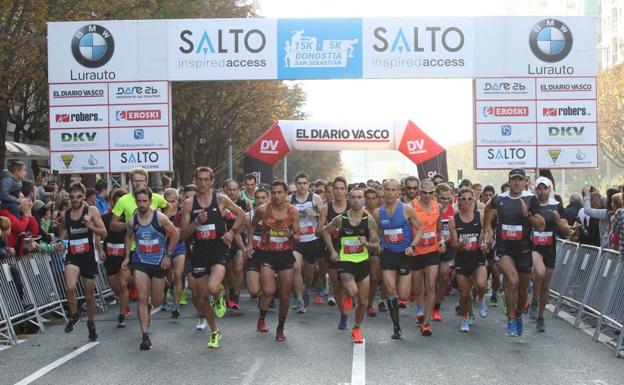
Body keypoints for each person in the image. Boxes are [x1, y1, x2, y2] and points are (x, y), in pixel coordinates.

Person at [180, 166, 244, 348]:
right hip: (199, 252)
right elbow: (183, 234)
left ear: (212, 181)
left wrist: (232, 232)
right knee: (201, 297)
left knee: (212, 286)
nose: (202, 183)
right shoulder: (189, 204)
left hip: (218, 250)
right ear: (195, 179)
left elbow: (242, 214)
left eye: (206, 179)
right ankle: (215, 331)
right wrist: (196, 221)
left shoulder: (220, 199)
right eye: (199, 179)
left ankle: (220, 295)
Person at [484, 169, 545, 337]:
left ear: (525, 181)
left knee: (523, 291)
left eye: (520, 179)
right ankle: (510, 320)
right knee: (512, 281)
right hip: (504, 250)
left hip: (524, 250)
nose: (517, 183)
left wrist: (528, 216)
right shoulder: (500, 198)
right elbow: (488, 208)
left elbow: (541, 225)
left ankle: (518, 314)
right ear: (509, 181)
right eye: (513, 179)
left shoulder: (531, 199)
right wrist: (487, 228)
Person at [122, 187, 179, 350]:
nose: (142, 204)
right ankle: (145, 336)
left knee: (155, 300)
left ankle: (152, 302)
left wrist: (168, 256)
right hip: (140, 261)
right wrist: (127, 256)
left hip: (158, 262)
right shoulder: (133, 220)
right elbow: (128, 237)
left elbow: (175, 234)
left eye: (144, 201)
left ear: (151, 201)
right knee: (141, 296)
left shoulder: (160, 218)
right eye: (139, 201)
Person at [322, 187, 380, 343]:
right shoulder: (342, 219)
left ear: (363, 199)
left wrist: (367, 243)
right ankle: (347, 294)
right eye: (353, 197)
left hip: (363, 263)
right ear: (349, 198)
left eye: (359, 197)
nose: (356, 200)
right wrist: (333, 251)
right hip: (346, 262)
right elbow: (325, 231)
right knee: (353, 291)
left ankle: (356, 327)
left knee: (363, 302)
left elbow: (377, 246)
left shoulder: (369, 220)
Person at [372, 179, 423, 339]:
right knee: (390, 289)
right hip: (388, 255)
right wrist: (378, 243)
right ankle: (396, 327)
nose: (390, 193)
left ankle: (401, 304)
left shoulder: (407, 209)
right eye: (387, 189)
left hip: (404, 255)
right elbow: (376, 232)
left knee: (404, 294)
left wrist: (412, 246)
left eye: (393, 190)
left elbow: (420, 228)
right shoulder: (378, 212)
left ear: (398, 192)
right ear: (383, 191)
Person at [250, 180, 300, 341]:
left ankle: (280, 327)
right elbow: (251, 225)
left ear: (286, 193)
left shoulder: (293, 212)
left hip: (285, 255)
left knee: (285, 296)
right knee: (269, 291)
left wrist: (291, 235)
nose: (277, 195)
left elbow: (298, 237)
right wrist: (249, 244)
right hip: (268, 254)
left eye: (280, 192)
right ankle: (262, 318)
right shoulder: (263, 209)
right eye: (274, 192)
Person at [58, 183, 107, 341]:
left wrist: (90, 225)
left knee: (89, 294)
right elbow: (62, 233)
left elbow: (104, 233)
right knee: (70, 287)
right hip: (73, 256)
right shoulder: (65, 214)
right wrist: (60, 242)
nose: (75, 200)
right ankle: (74, 315)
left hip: (88, 257)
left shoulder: (91, 211)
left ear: (84, 196)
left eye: (78, 196)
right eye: (72, 197)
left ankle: (91, 323)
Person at [528, 177, 571, 332]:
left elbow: (567, 231)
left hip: (550, 248)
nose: (542, 191)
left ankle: (540, 316)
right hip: (534, 246)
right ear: (536, 190)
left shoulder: (557, 206)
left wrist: (559, 222)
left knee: (545, 286)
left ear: (550, 189)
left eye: (545, 188)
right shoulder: (532, 204)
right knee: (539, 272)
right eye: (539, 188)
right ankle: (534, 300)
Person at [448, 188, 488, 332]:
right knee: (464, 294)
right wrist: (461, 244)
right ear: (458, 200)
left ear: (474, 200)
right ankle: (465, 318)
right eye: (463, 198)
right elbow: (453, 246)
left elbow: (487, 233)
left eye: (469, 199)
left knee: (482, 285)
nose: (466, 201)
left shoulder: (480, 216)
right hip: (462, 259)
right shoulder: (454, 220)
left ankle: (482, 299)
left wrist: (485, 243)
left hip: (477, 257)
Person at [318, 177, 351, 327]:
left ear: (346, 191)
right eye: (336, 188)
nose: (338, 191)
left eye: (342, 188)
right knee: (336, 285)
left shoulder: (353, 206)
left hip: (351, 248)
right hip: (332, 248)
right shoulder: (326, 208)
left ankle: (349, 297)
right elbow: (318, 231)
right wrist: (328, 228)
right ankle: (343, 315)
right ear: (332, 190)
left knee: (348, 283)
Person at [411, 179, 442, 336]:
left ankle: (426, 323)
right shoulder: (411, 207)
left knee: (431, 285)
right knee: (418, 289)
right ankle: (420, 307)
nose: (427, 196)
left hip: (432, 251)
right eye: (424, 192)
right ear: (419, 192)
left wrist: (441, 240)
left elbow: (439, 227)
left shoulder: (438, 206)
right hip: (416, 252)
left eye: (431, 193)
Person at [289, 172, 324, 313]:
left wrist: (315, 214)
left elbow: (324, 218)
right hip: (296, 240)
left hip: (311, 240)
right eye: (299, 183)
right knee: (296, 267)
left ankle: (307, 290)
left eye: (304, 183)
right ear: (295, 184)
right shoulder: (289, 199)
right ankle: (299, 299)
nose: (302, 186)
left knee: (309, 275)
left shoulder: (315, 198)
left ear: (309, 184)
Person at [97, 188, 130, 327]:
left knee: (122, 284)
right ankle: (125, 302)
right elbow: (97, 235)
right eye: (117, 203)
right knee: (117, 288)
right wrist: (100, 249)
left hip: (125, 256)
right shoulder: (105, 218)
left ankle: (122, 315)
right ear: (111, 202)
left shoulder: (130, 217)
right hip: (110, 256)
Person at [222, 179, 250, 310]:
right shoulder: (220, 203)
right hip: (224, 242)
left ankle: (236, 296)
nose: (232, 192)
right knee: (228, 272)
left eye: (234, 189)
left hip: (239, 240)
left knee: (238, 268)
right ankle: (231, 291)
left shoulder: (244, 203)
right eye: (229, 189)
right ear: (224, 190)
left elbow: (251, 223)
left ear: (239, 191)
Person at [432, 183, 456, 324]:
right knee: (430, 280)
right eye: (443, 198)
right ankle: (425, 305)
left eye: (448, 198)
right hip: (433, 247)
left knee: (443, 278)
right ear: (436, 197)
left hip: (448, 248)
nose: (446, 201)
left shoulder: (455, 210)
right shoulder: (432, 210)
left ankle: (436, 307)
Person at [162, 188, 187, 318]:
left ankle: (175, 305)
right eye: (168, 201)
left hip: (178, 246)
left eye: (173, 201)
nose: (171, 203)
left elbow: (184, 231)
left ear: (178, 201)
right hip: (162, 247)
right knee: (165, 276)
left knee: (178, 274)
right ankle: (167, 291)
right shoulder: (159, 213)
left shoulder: (182, 214)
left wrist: (179, 231)